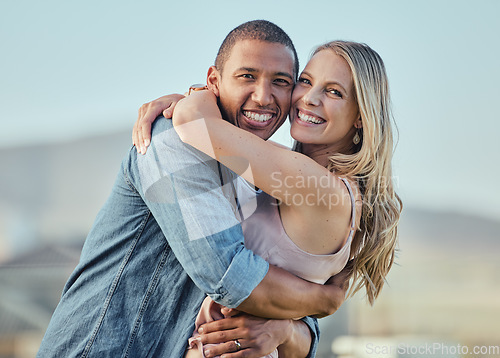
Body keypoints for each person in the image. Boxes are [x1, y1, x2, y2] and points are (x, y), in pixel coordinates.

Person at [37, 20, 349, 358]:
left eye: (281, 82)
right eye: (247, 76)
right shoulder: (171, 141)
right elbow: (230, 278)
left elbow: (286, 308)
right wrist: (323, 300)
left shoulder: (258, 171)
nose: (263, 97)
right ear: (214, 81)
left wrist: (288, 329)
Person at [133, 39, 402, 357]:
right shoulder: (320, 185)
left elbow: (193, 124)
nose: (310, 99)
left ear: (361, 116)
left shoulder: (316, 185)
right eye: (306, 81)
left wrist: (202, 93)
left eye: (334, 92)